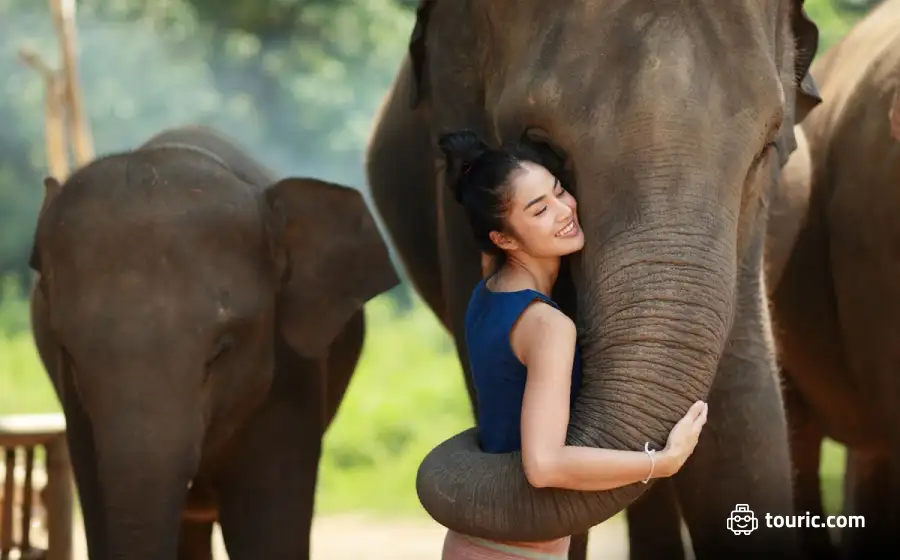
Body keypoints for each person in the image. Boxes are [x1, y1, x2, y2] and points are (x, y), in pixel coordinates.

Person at [438, 130, 709, 560]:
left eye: (560, 190)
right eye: (539, 210)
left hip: (475, 542)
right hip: (517, 552)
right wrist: (663, 461)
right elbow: (543, 465)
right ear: (504, 239)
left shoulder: (486, 293)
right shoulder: (547, 326)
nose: (564, 210)